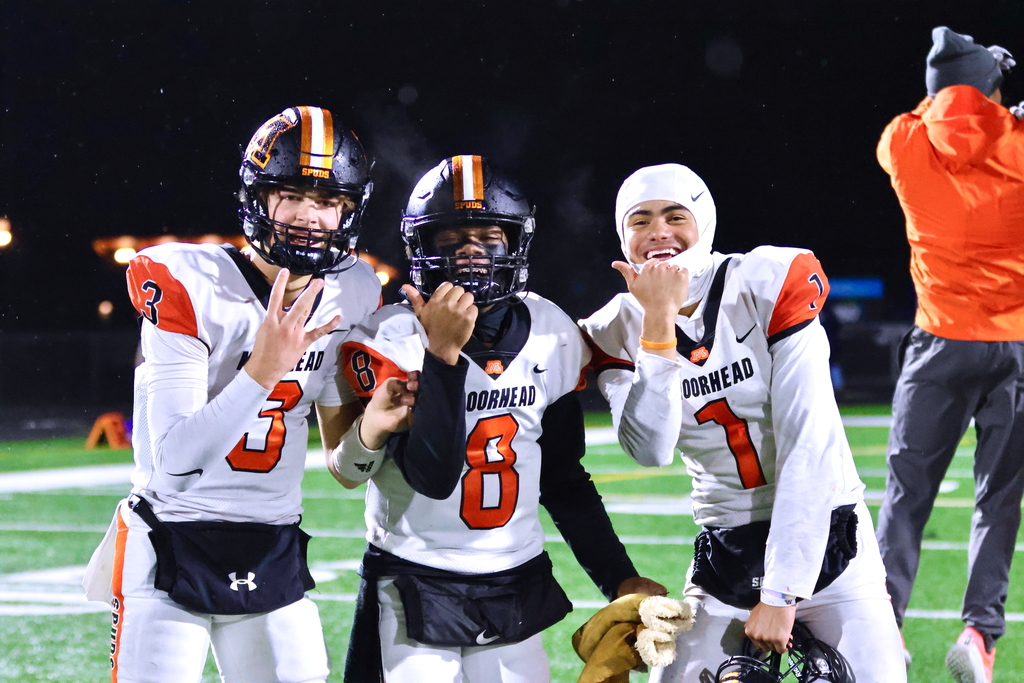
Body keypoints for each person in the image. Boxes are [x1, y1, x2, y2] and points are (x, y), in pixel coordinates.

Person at [328, 154, 666, 683]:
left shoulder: (550, 329)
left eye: (489, 236)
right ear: (422, 247)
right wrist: (440, 357)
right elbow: (434, 477)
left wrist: (619, 579)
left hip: (514, 579)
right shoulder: (390, 336)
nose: (470, 253)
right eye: (450, 238)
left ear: (516, 244)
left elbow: (563, 479)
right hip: (414, 578)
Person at [82, 106, 382, 683]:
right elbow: (174, 459)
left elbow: (345, 464)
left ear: (349, 210)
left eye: (328, 201)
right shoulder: (191, 282)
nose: (310, 216)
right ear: (258, 198)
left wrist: (378, 425)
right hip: (170, 541)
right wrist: (262, 371)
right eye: (292, 194)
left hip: (273, 544)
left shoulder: (353, 288)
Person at [579, 163, 907, 682]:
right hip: (725, 545)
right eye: (639, 221)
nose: (658, 232)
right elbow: (650, 448)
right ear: (624, 236)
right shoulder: (614, 327)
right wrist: (658, 330)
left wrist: (781, 592)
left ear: (703, 222)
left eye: (674, 215)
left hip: (828, 535)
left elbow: (808, 442)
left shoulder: (766, 282)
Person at [874, 26, 1024, 683]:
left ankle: (883, 629)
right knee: (999, 497)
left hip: (938, 341)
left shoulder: (903, 143)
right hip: (1016, 344)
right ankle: (978, 634)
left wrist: (974, 83)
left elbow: (929, 111)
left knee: (907, 496)